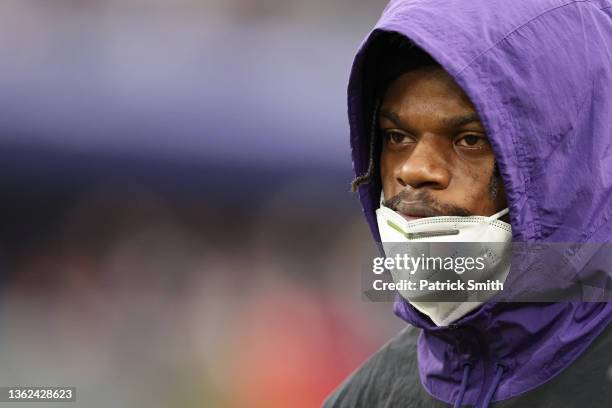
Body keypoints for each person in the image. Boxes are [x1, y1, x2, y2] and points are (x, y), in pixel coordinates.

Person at [323, 0, 612, 407]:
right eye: (396, 136)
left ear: (563, 162)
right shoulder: (367, 398)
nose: (414, 169)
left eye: (470, 140)